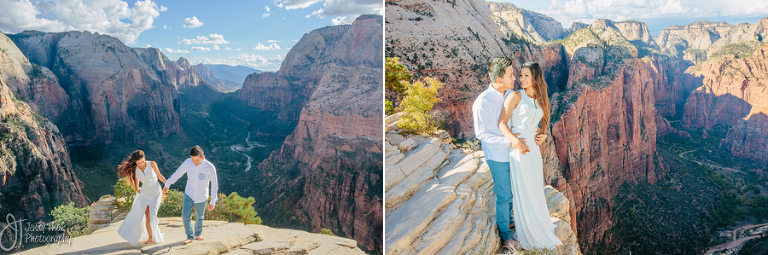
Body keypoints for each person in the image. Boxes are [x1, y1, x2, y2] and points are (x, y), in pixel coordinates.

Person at [472, 57, 546, 250]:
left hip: (516, 153)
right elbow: (481, 134)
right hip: (498, 155)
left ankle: (513, 218)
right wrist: (511, 141)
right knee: (504, 195)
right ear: (499, 79)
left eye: (516, 74)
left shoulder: (511, 94)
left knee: (516, 190)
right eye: (511, 74)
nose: (516, 77)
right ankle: (506, 236)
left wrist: (539, 133)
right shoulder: (482, 102)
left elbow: (524, 116)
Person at [497, 61, 563, 250]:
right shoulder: (515, 96)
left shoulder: (539, 98)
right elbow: (501, 123)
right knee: (523, 188)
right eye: (521, 75)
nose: (522, 79)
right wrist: (515, 141)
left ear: (535, 77)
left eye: (526, 75)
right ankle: (527, 230)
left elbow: (541, 121)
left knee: (534, 186)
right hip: (518, 148)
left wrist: (542, 134)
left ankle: (537, 223)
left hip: (533, 150)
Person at [163, 145, 219, 244]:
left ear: (203, 157)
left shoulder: (210, 168)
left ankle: (197, 234)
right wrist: (168, 184)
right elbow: (178, 174)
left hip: (202, 196)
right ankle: (189, 236)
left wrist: (213, 201)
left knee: (199, 216)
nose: (194, 162)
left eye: (196, 160)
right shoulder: (188, 163)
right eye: (192, 159)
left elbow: (214, 185)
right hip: (189, 193)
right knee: (185, 215)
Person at [117, 150, 166, 246]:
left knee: (153, 216)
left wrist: (167, 184)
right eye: (139, 163)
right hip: (144, 194)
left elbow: (159, 175)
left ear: (145, 158)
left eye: (143, 161)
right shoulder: (135, 169)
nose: (141, 164)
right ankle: (150, 237)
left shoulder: (152, 164)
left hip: (156, 192)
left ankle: (156, 235)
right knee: (147, 217)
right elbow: (136, 179)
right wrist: (136, 188)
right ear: (135, 162)